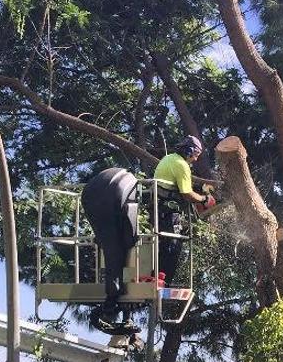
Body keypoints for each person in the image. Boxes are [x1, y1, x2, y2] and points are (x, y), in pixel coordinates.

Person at [81, 167, 140, 334]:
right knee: (118, 247)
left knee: (112, 246)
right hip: (110, 195)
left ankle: (113, 301)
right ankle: (112, 299)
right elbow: (128, 239)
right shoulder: (125, 189)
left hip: (94, 194)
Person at [152, 135, 216, 285]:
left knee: (162, 243)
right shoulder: (182, 165)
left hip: (157, 207)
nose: (195, 159)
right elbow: (186, 194)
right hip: (168, 210)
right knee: (174, 244)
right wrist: (204, 199)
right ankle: (164, 281)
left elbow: (179, 185)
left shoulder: (169, 158)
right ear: (189, 151)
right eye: (195, 155)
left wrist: (200, 190)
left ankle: (156, 276)